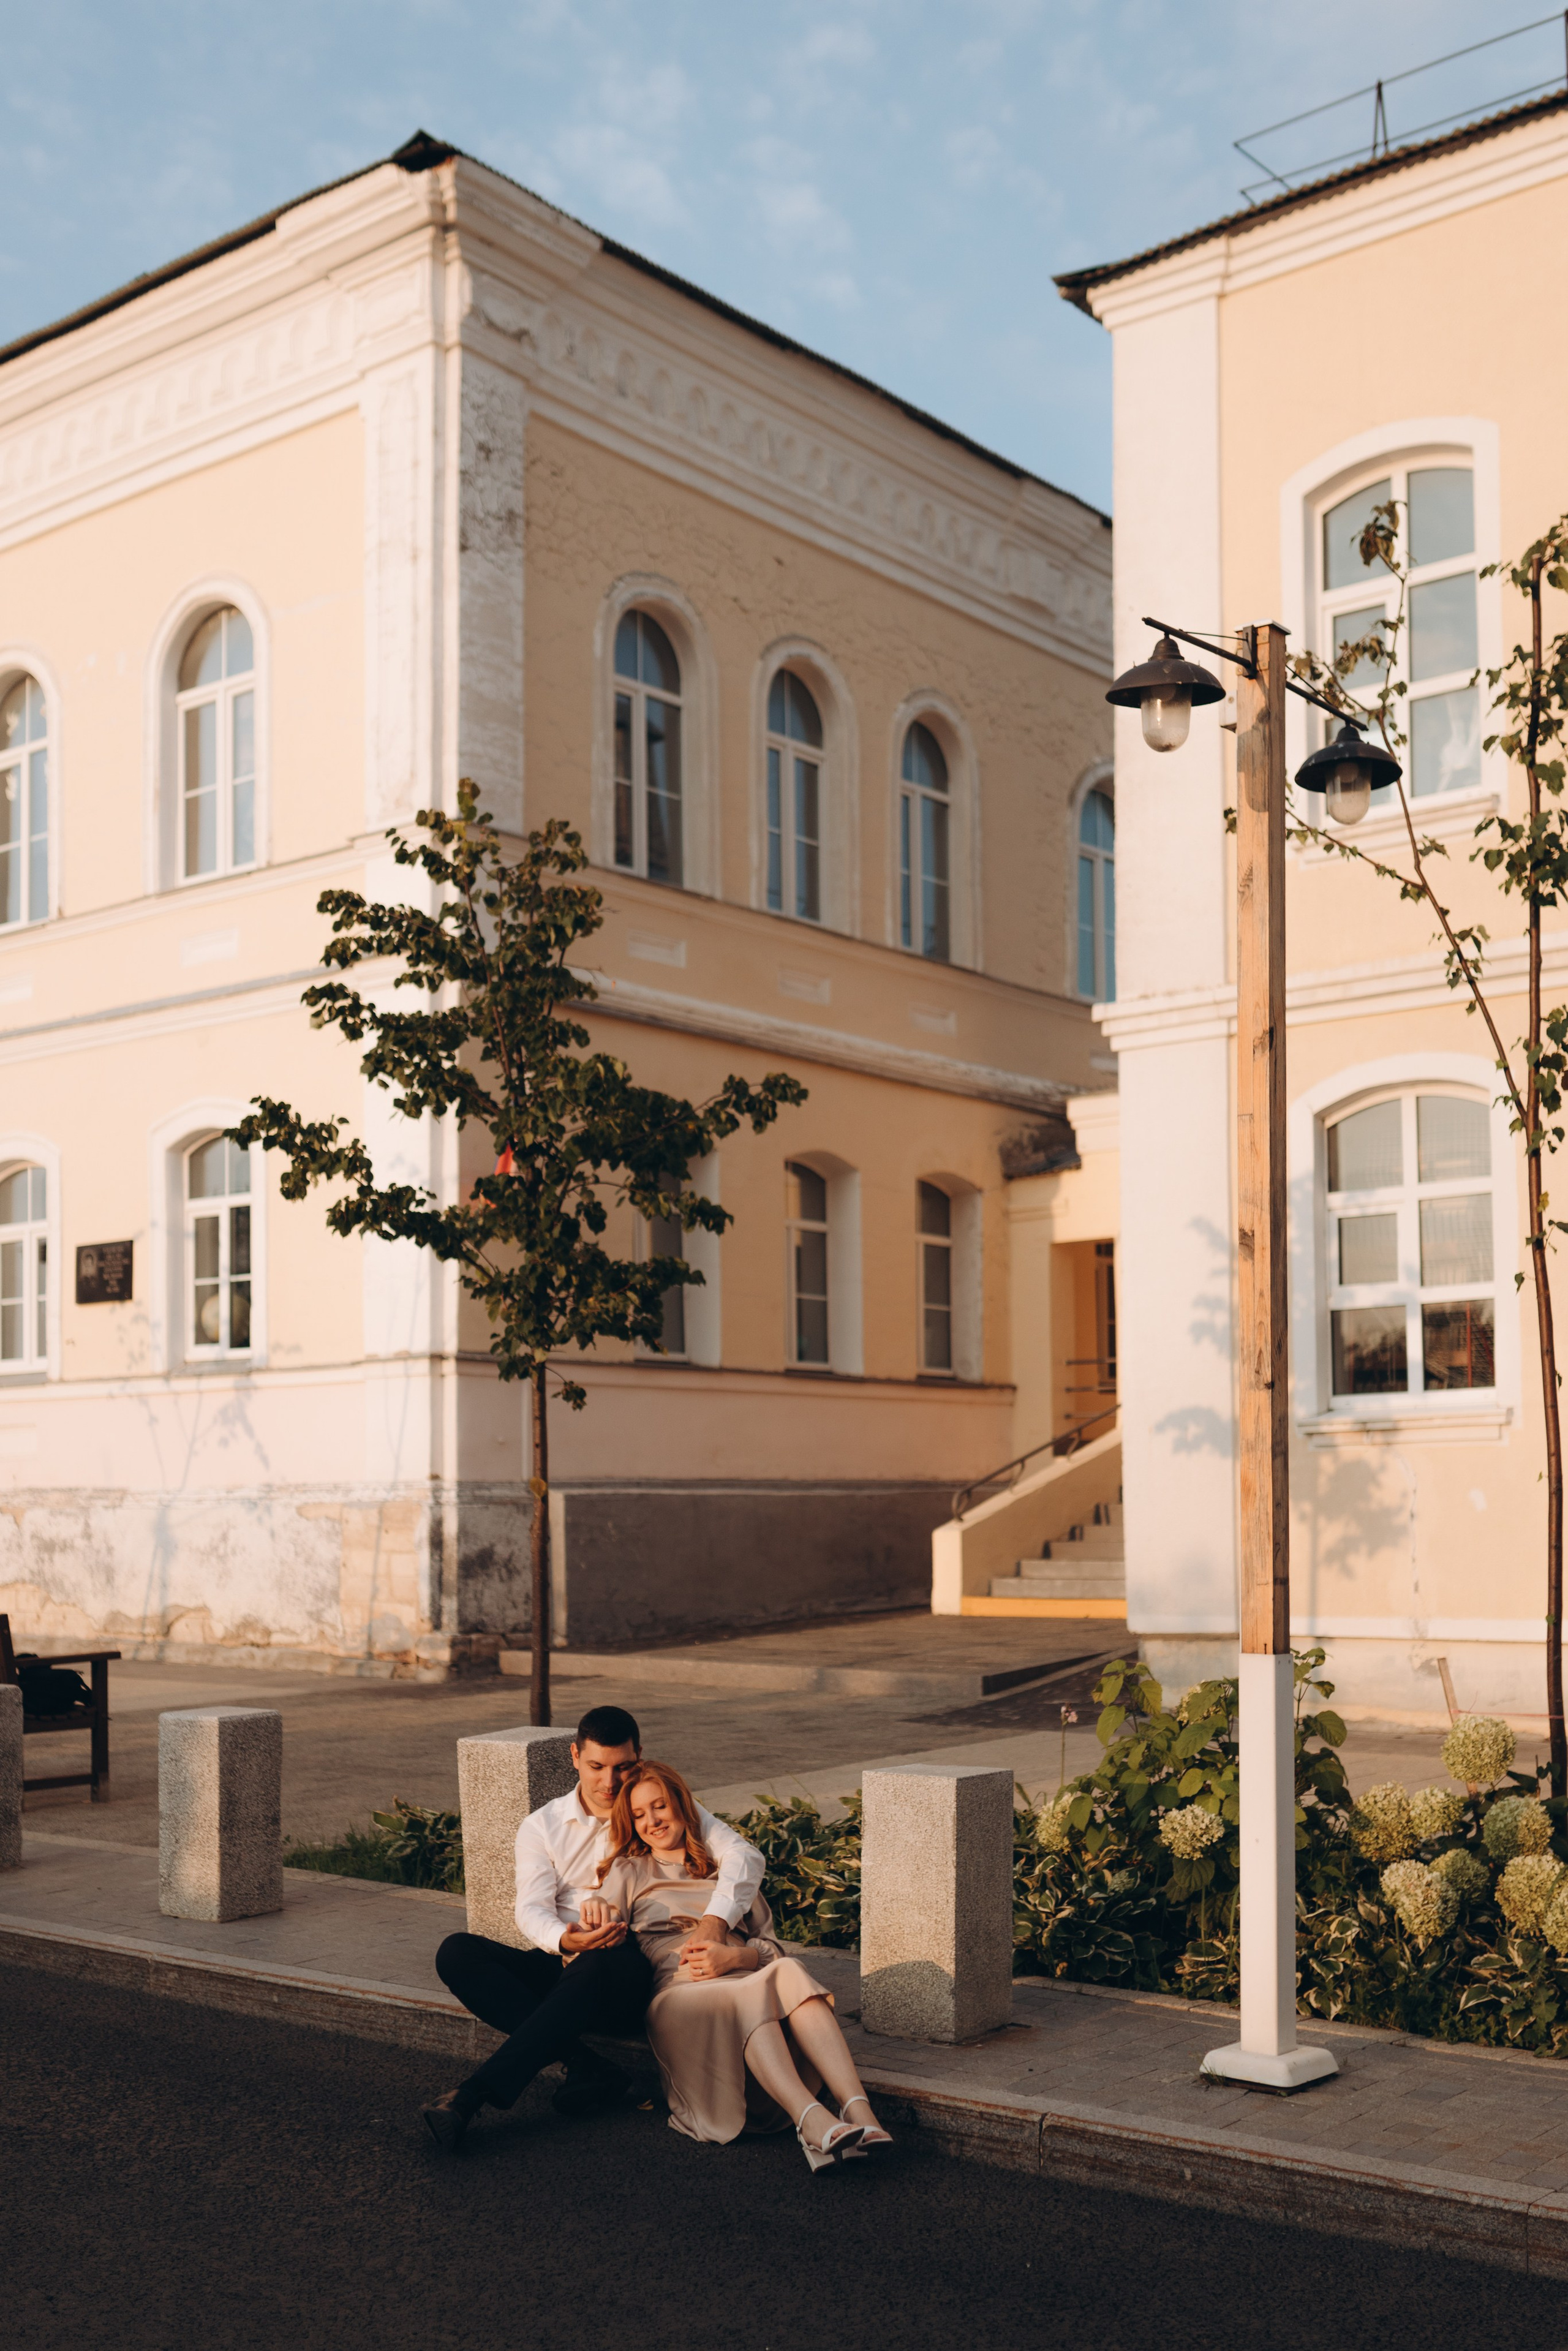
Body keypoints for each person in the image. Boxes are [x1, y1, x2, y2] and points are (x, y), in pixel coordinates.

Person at [422, 1705, 765, 2153]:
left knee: (602, 1961)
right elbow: (530, 1909)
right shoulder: (543, 1826)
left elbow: (744, 1856)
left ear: (639, 1757)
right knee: (457, 1952)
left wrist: (715, 1923)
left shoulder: (658, 1808)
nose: (610, 1783)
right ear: (574, 1758)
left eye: (623, 1767)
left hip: (629, 1969)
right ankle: (585, 2064)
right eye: (596, 1767)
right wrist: (567, 1939)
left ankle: (473, 2096)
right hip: (568, 1958)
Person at [586, 1759, 893, 2171]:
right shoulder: (629, 1870)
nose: (652, 1821)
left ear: (681, 1803)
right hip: (681, 1994)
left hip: (745, 1984)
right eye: (639, 1815)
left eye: (659, 1806)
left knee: (783, 1973)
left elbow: (772, 1949)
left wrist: (736, 1956)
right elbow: (600, 1914)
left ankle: (858, 2112)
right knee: (755, 1990)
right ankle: (811, 2119)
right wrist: (593, 1909)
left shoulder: (727, 1869)